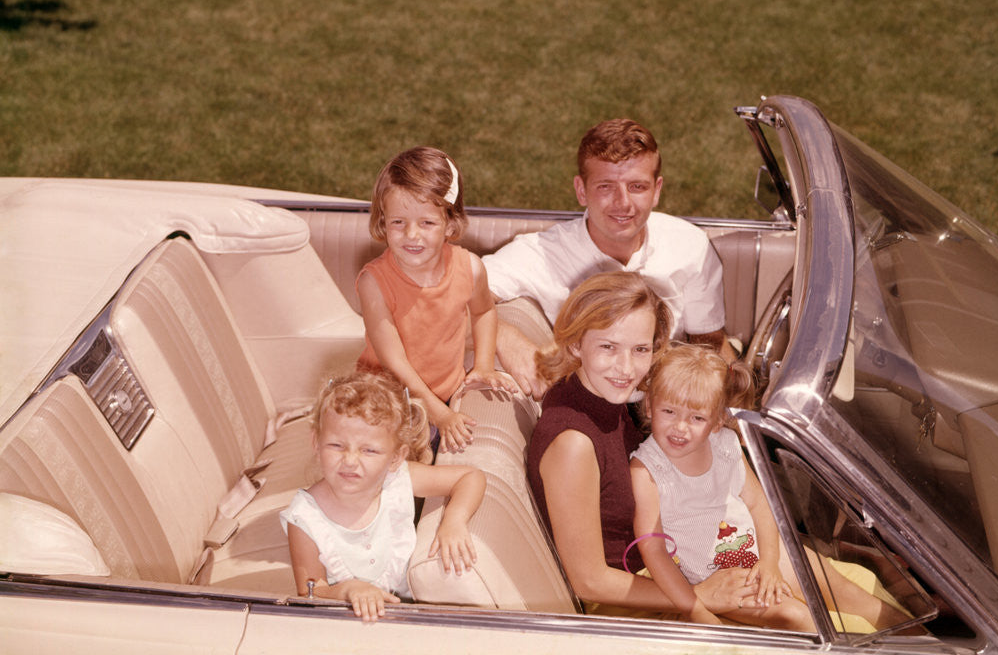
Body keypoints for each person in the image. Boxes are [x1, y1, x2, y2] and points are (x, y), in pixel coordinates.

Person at [630, 343, 912, 632]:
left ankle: (926, 643)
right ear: (650, 405)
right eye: (669, 411)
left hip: (754, 551)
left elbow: (759, 504)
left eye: (697, 418)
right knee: (799, 617)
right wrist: (696, 609)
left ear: (717, 421)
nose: (680, 427)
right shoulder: (647, 469)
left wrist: (770, 561)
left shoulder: (726, 446)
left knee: (845, 591)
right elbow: (652, 548)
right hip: (710, 576)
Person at [526, 272, 754, 618]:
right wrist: (696, 596)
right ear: (575, 344)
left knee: (802, 571)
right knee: (798, 613)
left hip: (668, 551)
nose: (626, 368)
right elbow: (589, 581)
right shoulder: (573, 444)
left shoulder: (595, 393)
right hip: (633, 598)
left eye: (641, 349)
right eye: (608, 347)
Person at [483, 118, 731, 398]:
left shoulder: (689, 245)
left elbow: (710, 344)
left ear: (657, 190)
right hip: (590, 406)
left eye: (637, 187)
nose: (623, 202)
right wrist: (506, 338)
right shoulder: (540, 254)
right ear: (581, 190)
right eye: (605, 186)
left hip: (669, 403)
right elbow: (446, 297)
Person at [280, 371, 486, 622]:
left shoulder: (398, 478)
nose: (350, 461)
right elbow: (310, 592)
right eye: (337, 445)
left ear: (396, 457)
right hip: (350, 623)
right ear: (316, 443)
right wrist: (350, 589)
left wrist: (454, 520)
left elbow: (471, 478)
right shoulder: (304, 518)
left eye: (369, 450)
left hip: (408, 613)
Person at [357, 146, 517, 453]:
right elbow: (395, 364)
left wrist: (483, 365)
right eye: (398, 222)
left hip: (444, 390)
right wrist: (440, 414)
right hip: (385, 398)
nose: (412, 235)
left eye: (427, 223)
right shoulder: (374, 282)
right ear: (382, 222)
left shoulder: (469, 267)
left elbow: (484, 312)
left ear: (450, 224)